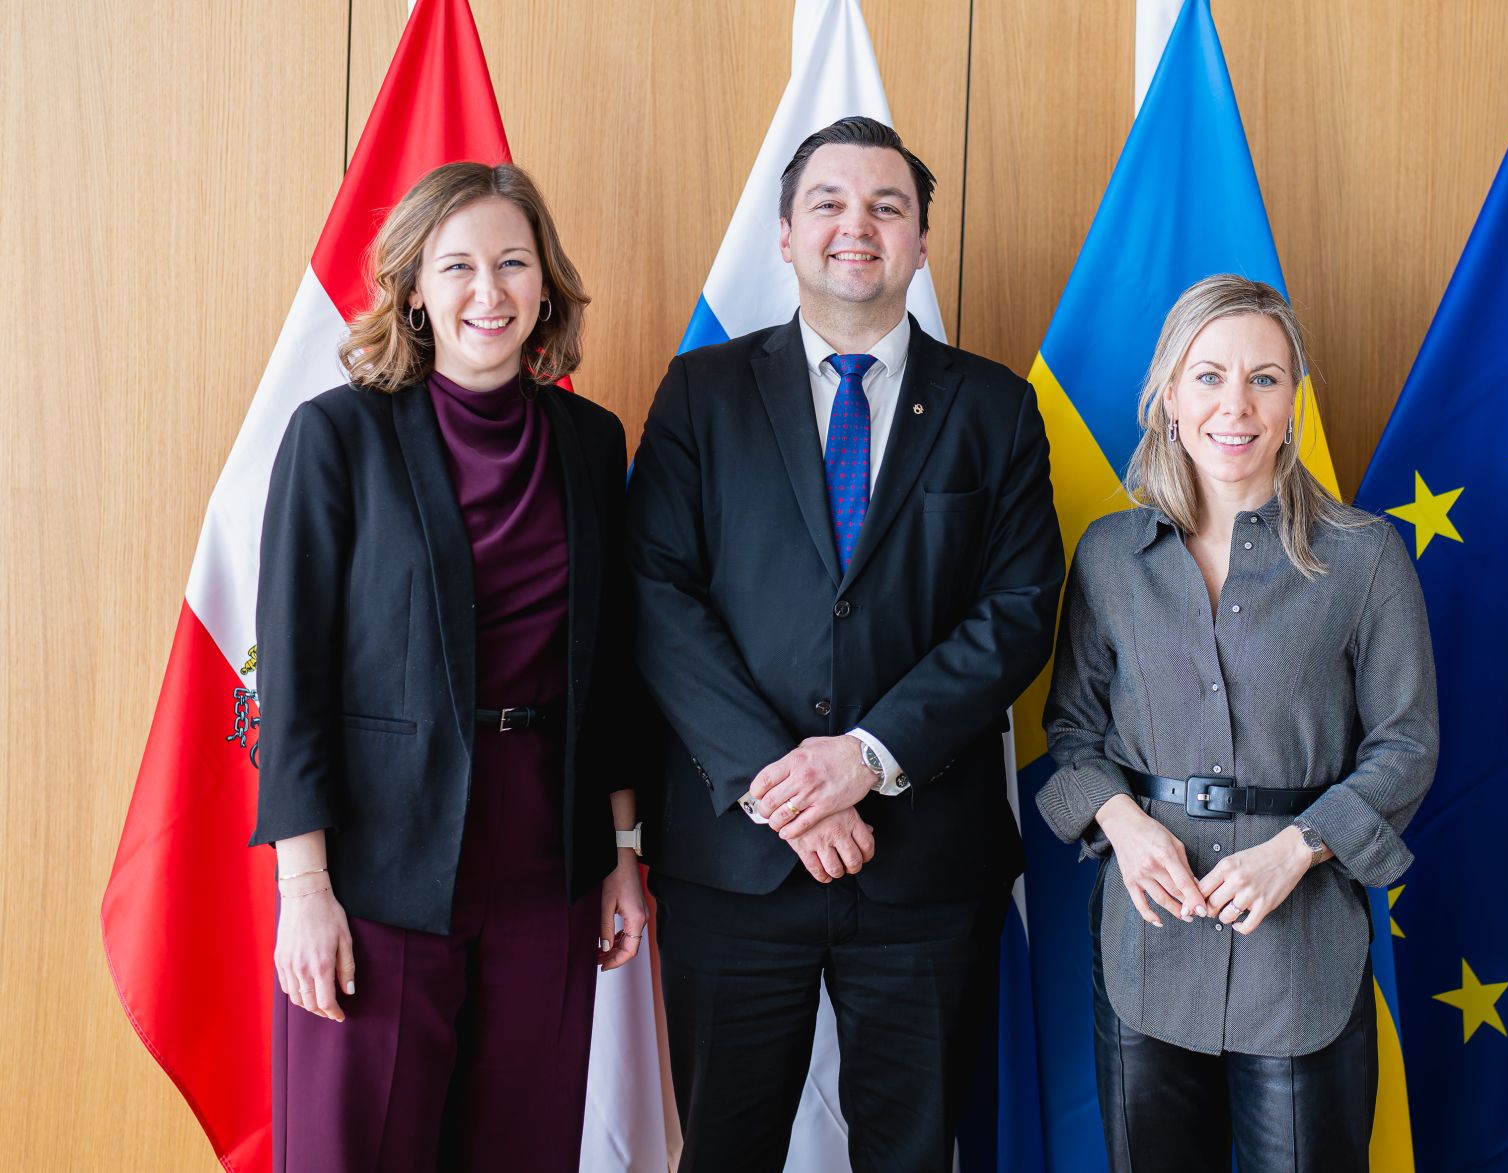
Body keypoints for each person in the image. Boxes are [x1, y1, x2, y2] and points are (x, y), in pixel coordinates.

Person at [627, 115, 1064, 1172]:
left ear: (919, 241)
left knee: (912, 1155)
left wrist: (860, 761)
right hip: (736, 860)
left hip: (923, 869)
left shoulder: (995, 408)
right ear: (784, 233)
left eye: (886, 207)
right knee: (722, 1150)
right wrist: (782, 784)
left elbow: (1015, 611)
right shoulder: (702, 393)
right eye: (826, 203)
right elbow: (656, 595)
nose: (854, 227)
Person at [249, 161, 648, 1173]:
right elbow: (291, 679)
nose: (489, 290)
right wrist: (305, 887)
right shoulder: (337, 435)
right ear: (413, 287)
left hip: (546, 862)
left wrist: (623, 852)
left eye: (513, 263)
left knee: (519, 1150)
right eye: (458, 265)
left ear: (544, 284)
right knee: (358, 1150)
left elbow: (609, 672)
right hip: (378, 866)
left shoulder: (592, 443)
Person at [1036, 275, 1438, 1173]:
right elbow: (1070, 731)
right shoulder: (1108, 555)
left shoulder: (1365, 556)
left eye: (1265, 378)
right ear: (1170, 398)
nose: (1237, 403)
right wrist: (1123, 823)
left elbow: (1406, 744)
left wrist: (1299, 847)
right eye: (1209, 375)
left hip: (1302, 953)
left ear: (1293, 401)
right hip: (1148, 945)